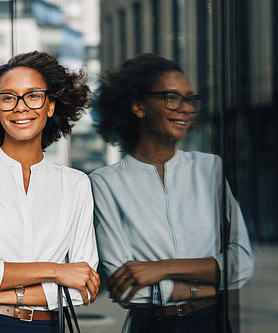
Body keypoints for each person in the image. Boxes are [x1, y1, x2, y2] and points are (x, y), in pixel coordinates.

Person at [90, 53, 254, 333]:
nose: (186, 109)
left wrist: (161, 268)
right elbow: (127, 289)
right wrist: (208, 282)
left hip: (212, 323)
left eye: (189, 99)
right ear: (139, 106)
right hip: (152, 326)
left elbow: (242, 263)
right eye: (172, 97)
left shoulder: (209, 169)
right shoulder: (105, 183)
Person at [0, 50, 100, 332]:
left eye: (33, 95)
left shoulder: (76, 184)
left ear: (50, 106)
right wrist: (56, 271)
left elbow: (81, 287)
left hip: (45, 327)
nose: (21, 107)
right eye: (8, 98)